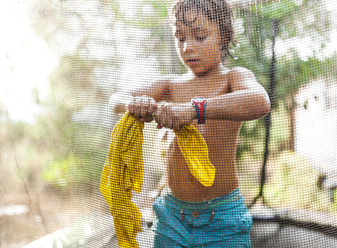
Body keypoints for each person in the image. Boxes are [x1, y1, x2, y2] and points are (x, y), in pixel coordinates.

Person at [110, 0, 270, 247]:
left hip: (223, 217)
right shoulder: (170, 85)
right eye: (180, 37)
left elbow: (259, 101)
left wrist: (194, 110)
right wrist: (135, 104)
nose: (187, 47)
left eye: (200, 36)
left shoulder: (233, 77)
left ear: (223, 36)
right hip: (172, 217)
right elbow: (117, 99)